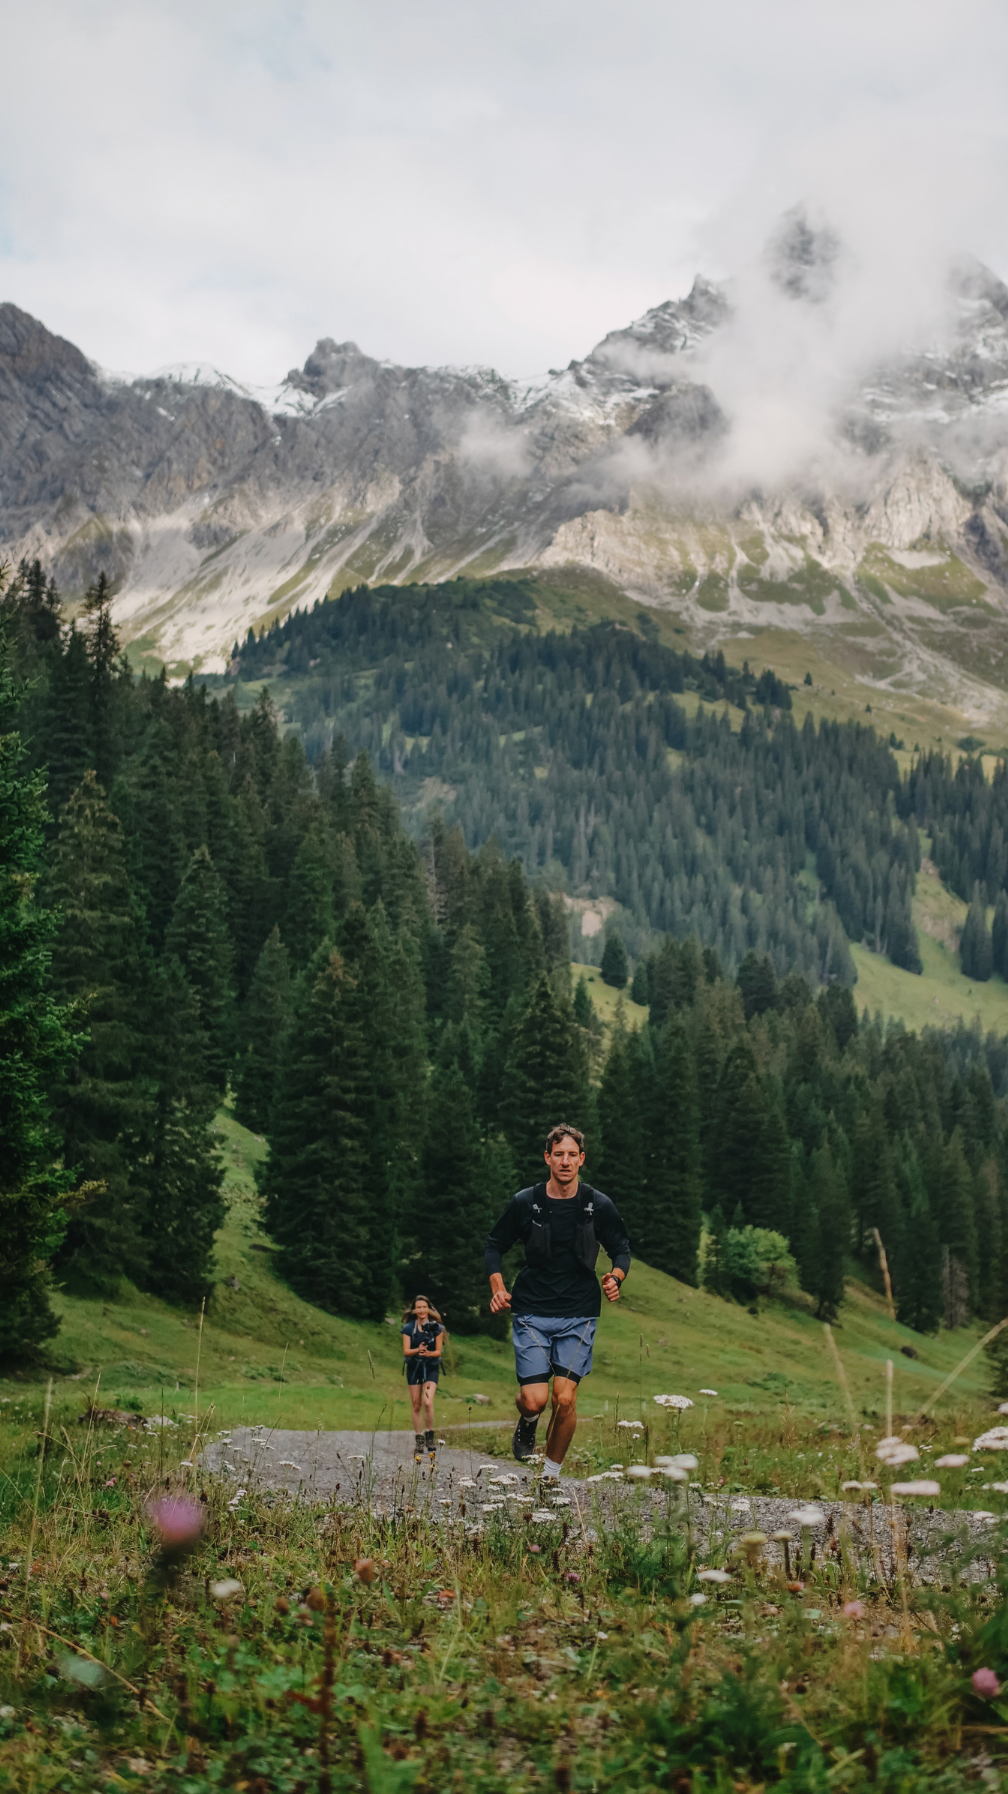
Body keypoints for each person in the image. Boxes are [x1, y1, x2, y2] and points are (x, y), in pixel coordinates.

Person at [484, 1122, 630, 1479]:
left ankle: (549, 1478)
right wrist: (498, 1287)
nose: (565, 1161)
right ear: (547, 1158)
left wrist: (615, 1278)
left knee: (565, 1399)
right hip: (532, 1310)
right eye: (558, 1154)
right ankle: (529, 1419)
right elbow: (494, 1245)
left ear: (582, 1160)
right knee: (535, 1398)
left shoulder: (598, 1205)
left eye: (572, 1155)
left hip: (579, 1312)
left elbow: (621, 1250)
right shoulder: (525, 1202)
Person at [401, 1294, 444, 1464]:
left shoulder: (437, 1328)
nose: (421, 1310)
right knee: (416, 1404)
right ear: (414, 1310)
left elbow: (439, 1351)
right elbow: (405, 1351)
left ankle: (430, 1435)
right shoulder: (408, 1328)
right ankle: (419, 1439)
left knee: (427, 1402)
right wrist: (417, 1349)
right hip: (414, 1368)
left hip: (431, 1367)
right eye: (418, 1307)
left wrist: (429, 1353)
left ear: (428, 1309)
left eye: (424, 1307)